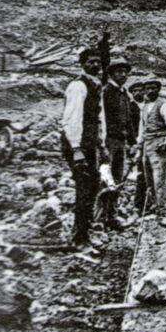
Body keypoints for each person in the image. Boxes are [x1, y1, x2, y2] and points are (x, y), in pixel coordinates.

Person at [61, 48, 106, 248]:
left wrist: (101, 145)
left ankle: (84, 230)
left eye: (98, 62)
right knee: (84, 188)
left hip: (89, 144)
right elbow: (72, 118)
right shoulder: (78, 86)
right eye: (91, 62)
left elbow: (98, 119)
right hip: (76, 144)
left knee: (93, 184)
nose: (95, 65)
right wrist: (76, 149)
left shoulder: (95, 85)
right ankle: (79, 237)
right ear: (82, 64)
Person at [133, 78, 166, 228]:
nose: (150, 91)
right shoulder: (145, 106)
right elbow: (142, 127)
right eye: (147, 88)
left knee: (159, 180)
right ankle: (156, 208)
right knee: (149, 180)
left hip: (159, 145)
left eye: (153, 88)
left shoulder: (165, 105)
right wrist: (139, 145)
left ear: (158, 89)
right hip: (147, 144)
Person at [100, 56, 134, 229]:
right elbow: (101, 118)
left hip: (121, 141)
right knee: (106, 179)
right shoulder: (106, 92)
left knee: (118, 177)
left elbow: (128, 120)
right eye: (118, 72)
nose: (122, 75)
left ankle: (111, 215)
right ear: (111, 74)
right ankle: (100, 217)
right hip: (109, 141)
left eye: (124, 72)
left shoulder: (124, 93)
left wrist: (132, 141)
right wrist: (102, 143)